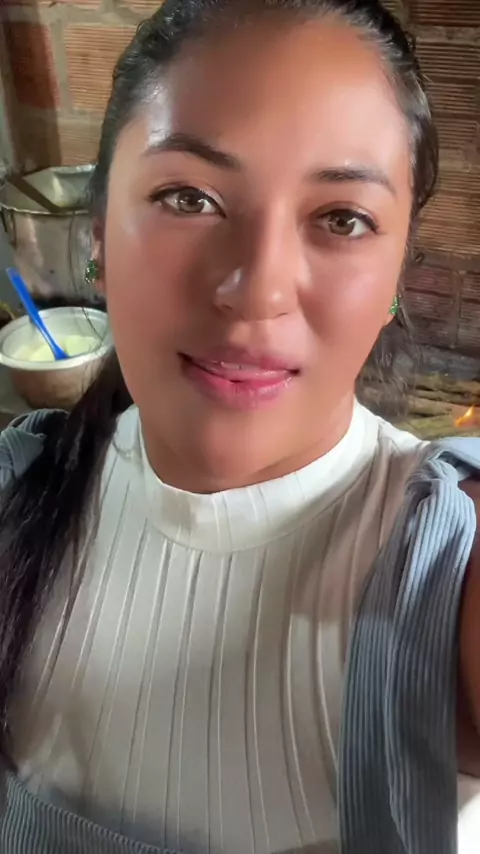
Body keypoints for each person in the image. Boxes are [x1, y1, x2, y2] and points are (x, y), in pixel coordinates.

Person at [0, 1, 479, 852]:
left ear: (396, 276)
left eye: (342, 219)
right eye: (189, 197)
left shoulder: (449, 564)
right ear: (98, 236)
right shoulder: (17, 492)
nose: (257, 290)